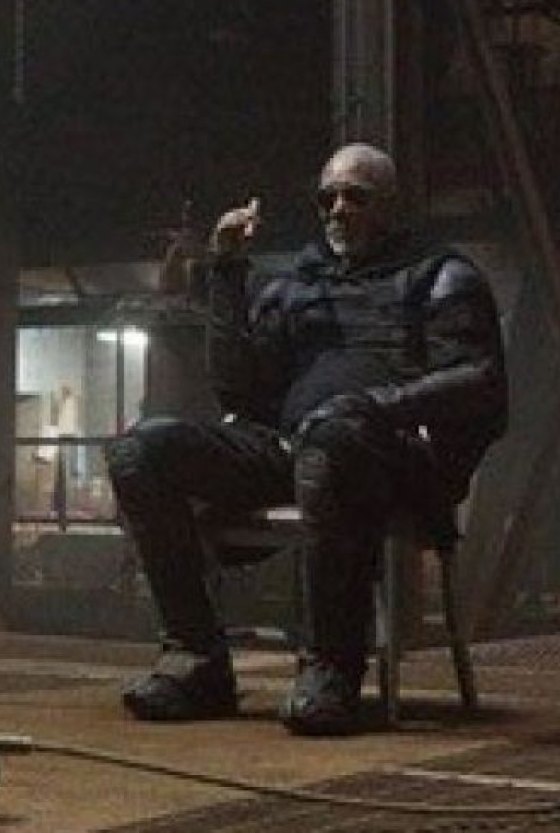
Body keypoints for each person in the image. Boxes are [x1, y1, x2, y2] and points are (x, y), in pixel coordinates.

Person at [107, 143, 508, 736]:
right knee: (140, 452)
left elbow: (478, 379)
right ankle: (196, 661)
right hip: (297, 445)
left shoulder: (440, 275)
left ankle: (331, 669)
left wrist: (373, 407)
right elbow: (240, 392)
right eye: (328, 198)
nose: (339, 209)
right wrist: (227, 271)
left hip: (394, 458)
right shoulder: (299, 285)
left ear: (390, 205)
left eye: (356, 196)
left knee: (331, 440)